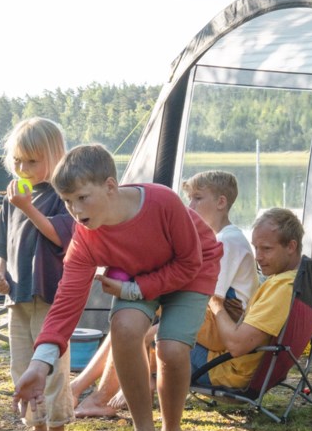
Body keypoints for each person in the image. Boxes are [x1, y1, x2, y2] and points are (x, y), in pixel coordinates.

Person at [13, 144, 222, 431]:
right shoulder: (85, 236)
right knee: (123, 328)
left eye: (83, 198)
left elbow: (188, 263)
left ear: (110, 186)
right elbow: (67, 301)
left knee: (171, 348)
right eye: (68, 202)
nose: (75, 211)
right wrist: (40, 364)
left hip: (192, 269)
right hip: (133, 272)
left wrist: (134, 291)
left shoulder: (162, 201)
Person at [74, 170, 254, 417]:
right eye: (189, 198)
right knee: (128, 320)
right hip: (211, 317)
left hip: (221, 322)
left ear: (221, 202)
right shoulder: (212, 237)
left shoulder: (228, 240)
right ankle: (86, 389)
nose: (189, 205)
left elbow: (211, 299)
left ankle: (100, 393)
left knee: (136, 325)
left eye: (197, 198)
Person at [0, 117, 78, 431]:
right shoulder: (12, 196)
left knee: (51, 365)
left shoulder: (62, 195)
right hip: (18, 293)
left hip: (49, 292)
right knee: (21, 363)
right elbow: (2, 244)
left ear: (55, 157)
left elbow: (60, 236)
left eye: (32, 161)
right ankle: (36, 428)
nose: (23, 169)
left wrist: (26, 208)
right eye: (18, 161)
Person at [195, 207, 302, 389]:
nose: (258, 257)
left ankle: (144, 390)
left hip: (231, 371)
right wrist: (245, 313)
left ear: (291, 246)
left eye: (266, 249)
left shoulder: (283, 288)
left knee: (168, 335)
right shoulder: (296, 278)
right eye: (255, 248)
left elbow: (236, 346)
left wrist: (216, 304)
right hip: (249, 366)